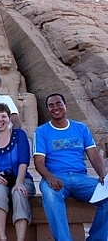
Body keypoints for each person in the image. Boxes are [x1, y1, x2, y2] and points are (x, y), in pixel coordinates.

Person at [33, 93, 108, 241]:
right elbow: (39, 161)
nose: (56, 108)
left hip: (81, 178)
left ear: (66, 106)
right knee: (50, 196)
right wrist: (49, 177)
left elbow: (93, 155)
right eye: (51, 105)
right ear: (48, 110)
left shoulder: (81, 128)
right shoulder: (41, 131)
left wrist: (102, 174)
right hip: (56, 177)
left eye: (59, 103)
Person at [0, 103, 35, 241]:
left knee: (19, 193)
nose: (0, 120)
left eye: (3, 116)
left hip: (21, 177)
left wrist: (19, 182)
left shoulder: (19, 135)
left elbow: (24, 160)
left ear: (9, 118)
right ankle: (2, 238)